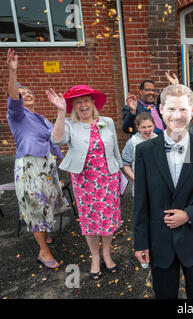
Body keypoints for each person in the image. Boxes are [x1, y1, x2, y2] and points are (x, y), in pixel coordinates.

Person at [133, 84, 193, 299]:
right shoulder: (144, 151)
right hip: (160, 241)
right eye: (171, 109)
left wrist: (189, 214)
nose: (177, 115)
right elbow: (141, 201)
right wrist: (140, 242)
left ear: (192, 111)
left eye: (183, 109)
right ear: (161, 109)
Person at [49, 85, 123, 280]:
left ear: (92, 103)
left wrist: (120, 171)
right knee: (90, 221)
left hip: (108, 179)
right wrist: (59, 111)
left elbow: (115, 149)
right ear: (73, 106)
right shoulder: (69, 124)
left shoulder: (107, 122)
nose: (83, 105)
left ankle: (107, 254)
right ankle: (95, 258)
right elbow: (56, 139)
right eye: (78, 102)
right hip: (85, 182)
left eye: (86, 101)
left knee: (107, 219)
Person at [6, 49, 68, 269]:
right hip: (30, 166)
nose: (26, 94)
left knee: (48, 202)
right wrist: (13, 73)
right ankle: (43, 251)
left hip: (47, 165)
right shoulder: (17, 115)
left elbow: (53, 140)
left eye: (29, 91)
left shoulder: (40, 118)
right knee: (36, 207)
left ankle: (43, 234)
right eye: (22, 93)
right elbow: (13, 98)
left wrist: (61, 159)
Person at [122, 112, 158, 193]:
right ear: (138, 127)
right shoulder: (132, 142)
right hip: (141, 187)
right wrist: (137, 179)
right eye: (143, 127)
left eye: (149, 126)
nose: (147, 130)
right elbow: (125, 164)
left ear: (154, 125)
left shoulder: (159, 140)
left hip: (157, 185)